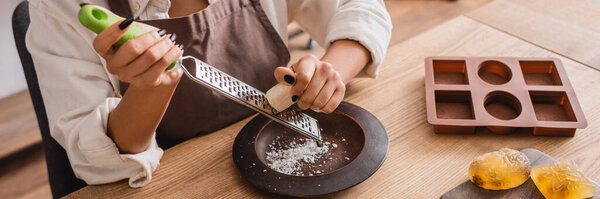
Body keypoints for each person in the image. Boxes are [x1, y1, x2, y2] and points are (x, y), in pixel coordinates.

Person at [26, 0, 392, 187]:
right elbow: (99, 164)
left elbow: (360, 7)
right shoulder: (60, 9)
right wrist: (151, 86)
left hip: (278, 143)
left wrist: (328, 75)